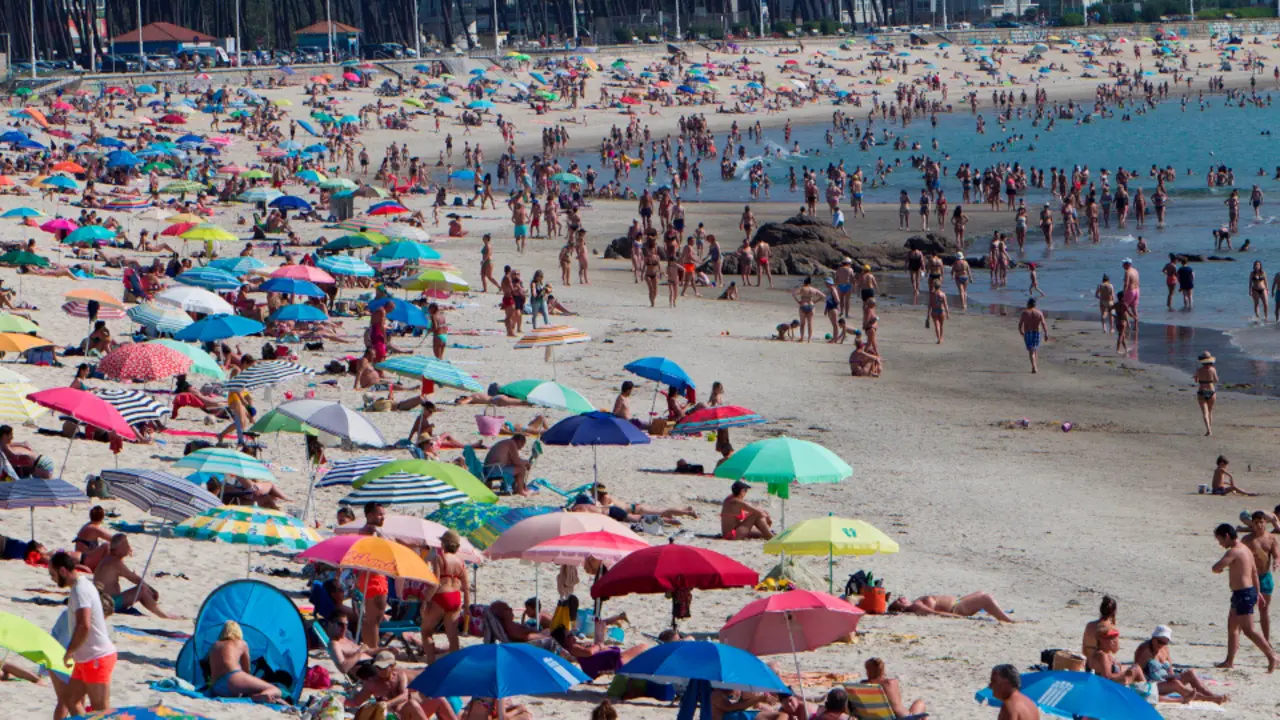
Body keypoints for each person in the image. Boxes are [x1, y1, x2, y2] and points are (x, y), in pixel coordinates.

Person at [48, 550, 116, 720]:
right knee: (71, 700)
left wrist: (69, 651)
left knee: (100, 711)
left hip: (97, 658)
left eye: (53, 574)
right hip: (85, 660)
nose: (52, 579)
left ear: (63, 571)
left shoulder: (81, 589)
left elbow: (83, 625)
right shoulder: (79, 587)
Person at [1211, 523, 1278, 672]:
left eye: (1220, 540)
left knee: (1249, 630)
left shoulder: (1234, 551)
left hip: (1244, 594)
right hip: (1244, 593)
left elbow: (1216, 567)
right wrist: (1258, 592)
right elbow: (1254, 573)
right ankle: (1229, 661)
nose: (1220, 544)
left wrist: (1219, 570)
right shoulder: (1246, 549)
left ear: (1227, 536)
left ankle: (1272, 656)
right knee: (1232, 626)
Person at [1134, 625, 1229, 705]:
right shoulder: (1145, 651)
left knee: (1190, 673)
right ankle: (1206, 698)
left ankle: (1210, 694)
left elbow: (1170, 667)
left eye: (1165, 642)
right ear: (1154, 638)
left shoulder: (1164, 648)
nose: (1162, 645)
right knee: (1175, 684)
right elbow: (1137, 673)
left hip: (1165, 679)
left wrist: (1172, 676)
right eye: (1160, 642)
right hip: (1153, 684)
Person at [93, 534, 178, 618]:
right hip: (108, 602)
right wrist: (151, 590)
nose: (128, 547)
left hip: (103, 600)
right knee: (141, 590)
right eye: (126, 545)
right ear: (118, 548)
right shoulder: (114, 562)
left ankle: (161, 614)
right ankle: (163, 615)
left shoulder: (109, 558)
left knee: (142, 589)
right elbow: (134, 579)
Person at [349, 652, 454, 720]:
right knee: (412, 704)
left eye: (383, 667)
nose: (380, 671)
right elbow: (355, 702)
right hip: (392, 716)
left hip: (407, 713)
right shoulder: (373, 683)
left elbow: (405, 695)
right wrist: (342, 700)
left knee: (439, 699)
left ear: (393, 666)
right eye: (378, 667)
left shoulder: (400, 676)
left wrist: (387, 703)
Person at [420, 531, 469, 664]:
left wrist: (426, 600)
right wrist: (467, 607)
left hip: (442, 596)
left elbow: (436, 582)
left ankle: (431, 664)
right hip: (456, 598)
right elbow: (466, 587)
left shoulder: (439, 558)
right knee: (452, 635)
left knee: (426, 631)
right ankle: (455, 665)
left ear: (444, 544)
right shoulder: (461, 562)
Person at [207, 621, 284, 703]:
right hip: (233, 678)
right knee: (275, 690)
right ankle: (264, 694)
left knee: (243, 687)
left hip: (217, 688)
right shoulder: (242, 643)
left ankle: (261, 695)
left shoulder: (215, 645)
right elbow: (246, 670)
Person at [1244, 511, 1280, 642]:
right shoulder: (1247, 540)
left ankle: (1266, 639)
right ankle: (1250, 636)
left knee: (1264, 610)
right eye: (1256, 522)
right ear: (1252, 524)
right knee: (1246, 609)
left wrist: (1276, 562)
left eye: (1261, 522)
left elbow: (1276, 555)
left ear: (1266, 522)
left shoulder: (1270, 539)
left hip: (1265, 577)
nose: (1259, 525)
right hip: (1250, 577)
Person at [358, 503, 390, 648]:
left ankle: (370, 647)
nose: (383, 517)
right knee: (373, 619)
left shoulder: (371, 530)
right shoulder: (370, 531)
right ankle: (372, 649)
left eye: (383, 514)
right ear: (369, 515)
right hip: (373, 577)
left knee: (373, 618)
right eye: (380, 514)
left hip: (374, 576)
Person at [862, 657, 927, 718]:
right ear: (882, 670)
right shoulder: (891, 683)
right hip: (904, 717)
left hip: (882, 717)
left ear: (868, 672)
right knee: (920, 703)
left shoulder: (863, 686)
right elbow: (898, 701)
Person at [888, 592, 1015, 622]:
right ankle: (1007, 620)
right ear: (902, 609)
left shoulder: (916, 603)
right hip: (957, 608)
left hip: (959, 601)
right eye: (898, 602)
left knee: (981, 593)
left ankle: (999, 613)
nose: (899, 598)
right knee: (985, 598)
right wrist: (956, 617)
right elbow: (935, 613)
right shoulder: (916, 606)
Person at [1017, 298, 1048, 374]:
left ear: (1028, 304)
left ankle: (1034, 366)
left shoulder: (1025, 313)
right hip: (1037, 332)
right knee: (1034, 349)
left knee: (1031, 351)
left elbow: (1020, 323)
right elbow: (1043, 323)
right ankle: (1034, 365)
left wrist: (1021, 331)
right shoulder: (1039, 313)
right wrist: (1046, 333)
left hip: (1028, 332)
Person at [1194, 352, 1219, 436]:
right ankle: (1210, 428)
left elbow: (1196, 381)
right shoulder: (1213, 369)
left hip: (1201, 390)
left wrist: (1198, 377)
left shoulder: (1199, 370)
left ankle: (1208, 429)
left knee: (1205, 412)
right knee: (1210, 411)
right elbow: (1216, 380)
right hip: (1211, 390)